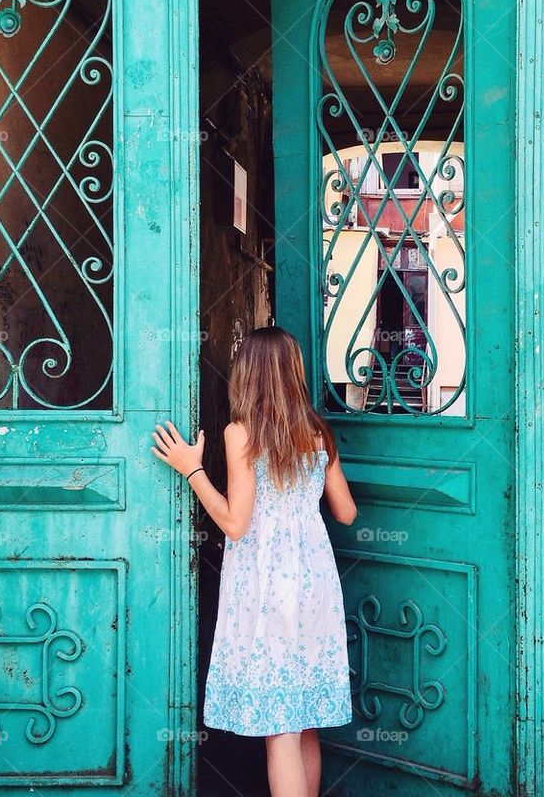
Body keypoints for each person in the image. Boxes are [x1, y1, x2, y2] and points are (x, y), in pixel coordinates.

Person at [151, 326, 357, 797]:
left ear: (248, 374)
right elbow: (345, 512)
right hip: (315, 581)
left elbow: (235, 523)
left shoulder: (240, 432)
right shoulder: (317, 432)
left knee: (279, 724)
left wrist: (193, 470)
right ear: (294, 373)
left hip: (266, 585)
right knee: (304, 721)